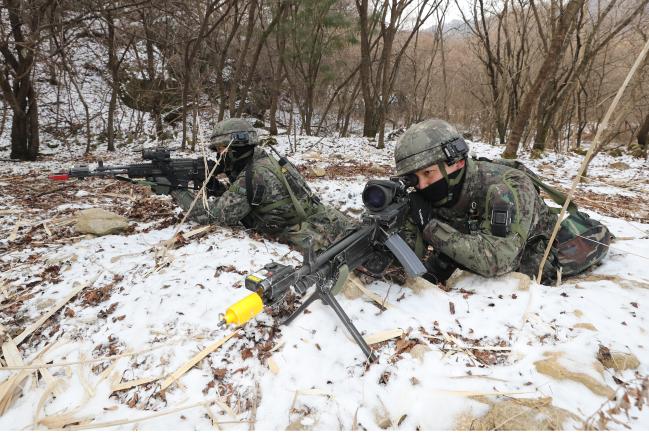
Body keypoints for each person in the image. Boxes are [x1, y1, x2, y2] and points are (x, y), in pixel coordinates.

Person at [395, 118, 612, 285]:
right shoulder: (432, 188)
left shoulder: (506, 187)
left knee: (538, 265)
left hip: (535, 248)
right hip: (473, 238)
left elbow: (497, 260)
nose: (422, 186)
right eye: (415, 177)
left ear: (458, 162)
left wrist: (430, 226)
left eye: (428, 173)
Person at [152, 118, 353, 252]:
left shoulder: (254, 175)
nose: (219, 155)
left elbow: (214, 216)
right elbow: (250, 198)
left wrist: (176, 191)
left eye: (221, 149)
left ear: (235, 148)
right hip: (320, 219)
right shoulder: (265, 159)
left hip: (305, 234)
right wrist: (218, 188)